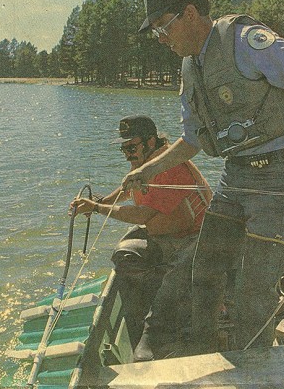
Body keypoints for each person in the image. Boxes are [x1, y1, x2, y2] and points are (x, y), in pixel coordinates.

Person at [122, 0, 284, 356]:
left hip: (278, 173)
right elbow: (194, 139)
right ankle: (206, 352)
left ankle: (254, 368)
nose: (162, 39)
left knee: (253, 287)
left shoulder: (246, 42)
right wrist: (147, 170)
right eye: (156, 33)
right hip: (236, 175)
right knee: (206, 269)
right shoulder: (190, 68)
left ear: (188, 13)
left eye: (162, 28)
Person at [70, 115, 212, 359]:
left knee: (169, 298)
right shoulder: (147, 160)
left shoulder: (169, 166)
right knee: (124, 255)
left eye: (131, 147)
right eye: (123, 148)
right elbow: (129, 189)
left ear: (151, 141)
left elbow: (141, 215)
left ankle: (160, 335)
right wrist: (100, 201)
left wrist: (95, 209)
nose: (127, 153)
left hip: (192, 241)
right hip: (167, 237)